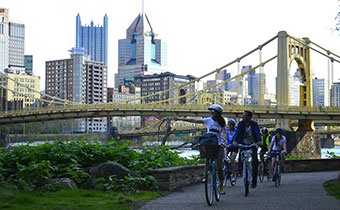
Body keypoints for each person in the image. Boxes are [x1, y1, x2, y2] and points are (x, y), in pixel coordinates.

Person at [174, 104, 227, 194]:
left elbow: (224, 132)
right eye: (211, 112)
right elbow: (194, 120)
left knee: (219, 167)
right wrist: (180, 119)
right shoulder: (207, 120)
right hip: (210, 144)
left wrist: (224, 141)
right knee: (207, 162)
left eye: (213, 112)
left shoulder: (221, 123)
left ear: (218, 113)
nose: (211, 113)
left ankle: (221, 185)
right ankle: (206, 176)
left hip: (218, 145)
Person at [232, 110, 261, 188]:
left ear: (249, 117)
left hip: (252, 144)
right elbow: (237, 133)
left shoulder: (254, 124)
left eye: (244, 115)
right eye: (243, 115)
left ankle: (254, 181)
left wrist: (258, 141)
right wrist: (235, 141)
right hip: (243, 143)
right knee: (241, 156)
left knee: (255, 161)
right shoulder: (241, 124)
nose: (243, 117)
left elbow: (257, 133)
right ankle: (240, 169)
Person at [225, 118, 238, 184]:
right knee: (223, 157)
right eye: (229, 124)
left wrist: (236, 142)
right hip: (227, 146)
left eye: (231, 124)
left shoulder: (236, 131)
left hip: (234, 147)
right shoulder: (226, 131)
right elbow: (223, 137)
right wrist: (224, 142)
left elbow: (238, 138)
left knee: (232, 159)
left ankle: (233, 175)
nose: (230, 126)